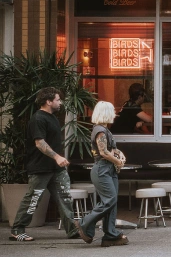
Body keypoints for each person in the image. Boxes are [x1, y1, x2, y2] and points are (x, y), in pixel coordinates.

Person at [9, 87, 79, 242]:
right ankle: (17, 229)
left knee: (65, 197)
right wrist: (57, 157)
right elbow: (40, 143)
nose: (60, 102)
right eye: (57, 100)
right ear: (48, 102)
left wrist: (57, 161)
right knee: (33, 198)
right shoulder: (38, 119)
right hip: (41, 167)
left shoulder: (52, 117)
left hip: (56, 169)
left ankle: (72, 229)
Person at [75, 101, 127, 247]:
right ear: (106, 113)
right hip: (102, 169)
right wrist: (118, 162)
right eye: (112, 111)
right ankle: (84, 223)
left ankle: (110, 234)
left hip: (108, 169)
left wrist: (120, 155)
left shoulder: (104, 130)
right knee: (109, 200)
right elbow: (103, 152)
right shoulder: (100, 131)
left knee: (112, 201)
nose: (114, 114)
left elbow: (112, 150)